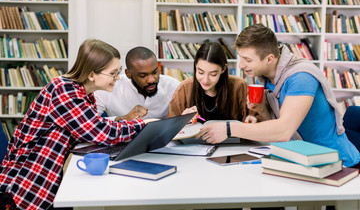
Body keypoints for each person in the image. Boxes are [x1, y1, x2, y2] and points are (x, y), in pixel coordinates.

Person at [0, 39, 151, 210]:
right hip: (28, 183)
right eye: (113, 73)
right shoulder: (63, 90)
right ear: (92, 74)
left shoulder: (83, 93)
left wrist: (122, 121)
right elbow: (99, 131)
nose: (117, 78)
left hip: (49, 174)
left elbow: (87, 126)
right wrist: (143, 125)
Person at [196, 24, 360, 168]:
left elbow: (284, 131)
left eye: (247, 59)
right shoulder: (265, 77)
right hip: (299, 156)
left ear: (269, 58)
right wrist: (261, 111)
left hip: (334, 163)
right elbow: (279, 126)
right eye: (241, 58)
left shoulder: (301, 77)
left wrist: (229, 129)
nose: (241, 65)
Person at [167, 41, 253, 123]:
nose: (205, 80)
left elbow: (255, 118)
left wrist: (252, 119)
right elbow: (169, 126)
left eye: (213, 74)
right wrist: (181, 121)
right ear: (195, 66)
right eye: (200, 72)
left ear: (223, 69)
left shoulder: (240, 87)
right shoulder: (184, 88)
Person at [95, 46, 180, 121]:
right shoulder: (109, 87)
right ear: (128, 74)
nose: (151, 80)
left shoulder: (173, 85)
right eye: (143, 75)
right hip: (124, 137)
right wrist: (124, 118)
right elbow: (90, 123)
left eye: (155, 72)